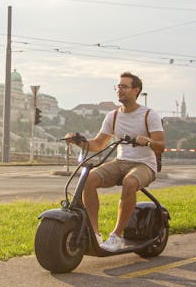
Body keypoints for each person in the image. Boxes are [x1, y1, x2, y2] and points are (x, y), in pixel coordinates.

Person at [64, 72, 164, 252]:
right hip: (120, 162)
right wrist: (79, 141)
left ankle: (116, 236)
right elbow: (97, 144)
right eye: (118, 87)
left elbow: (161, 146)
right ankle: (94, 233)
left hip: (144, 165)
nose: (119, 90)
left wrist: (147, 141)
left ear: (136, 90)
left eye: (124, 87)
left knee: (130, 181)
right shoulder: (113, 116)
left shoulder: (149, 115)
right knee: (88, 179)